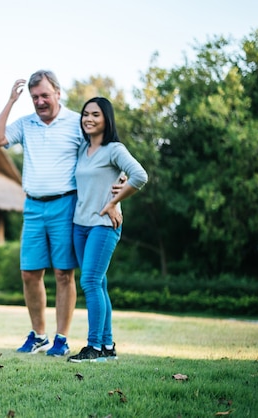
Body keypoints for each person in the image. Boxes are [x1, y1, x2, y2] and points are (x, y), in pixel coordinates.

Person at [0, 70, 83, 357]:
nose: (40, 102)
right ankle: (39, 336)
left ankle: (61, 338)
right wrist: (11, 102)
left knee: (64, 273)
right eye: (34, 97)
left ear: (58, 93)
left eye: (44, 95)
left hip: (66, 203)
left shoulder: (77, 122)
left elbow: (99, 156)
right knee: (29, 272)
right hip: (33, 206)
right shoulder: (26, 123)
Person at [67, 97, 148, 363]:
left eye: (96, 115)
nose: (88, 119)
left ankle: (94, 347)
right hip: (80, 225)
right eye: (85, 114)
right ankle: (107, 346)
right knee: (99, 283)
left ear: (106, 119)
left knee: (90, 282)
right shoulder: (82, 149)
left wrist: (115, 200)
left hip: (104, 225)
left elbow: (139, 175)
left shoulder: (114, 149)